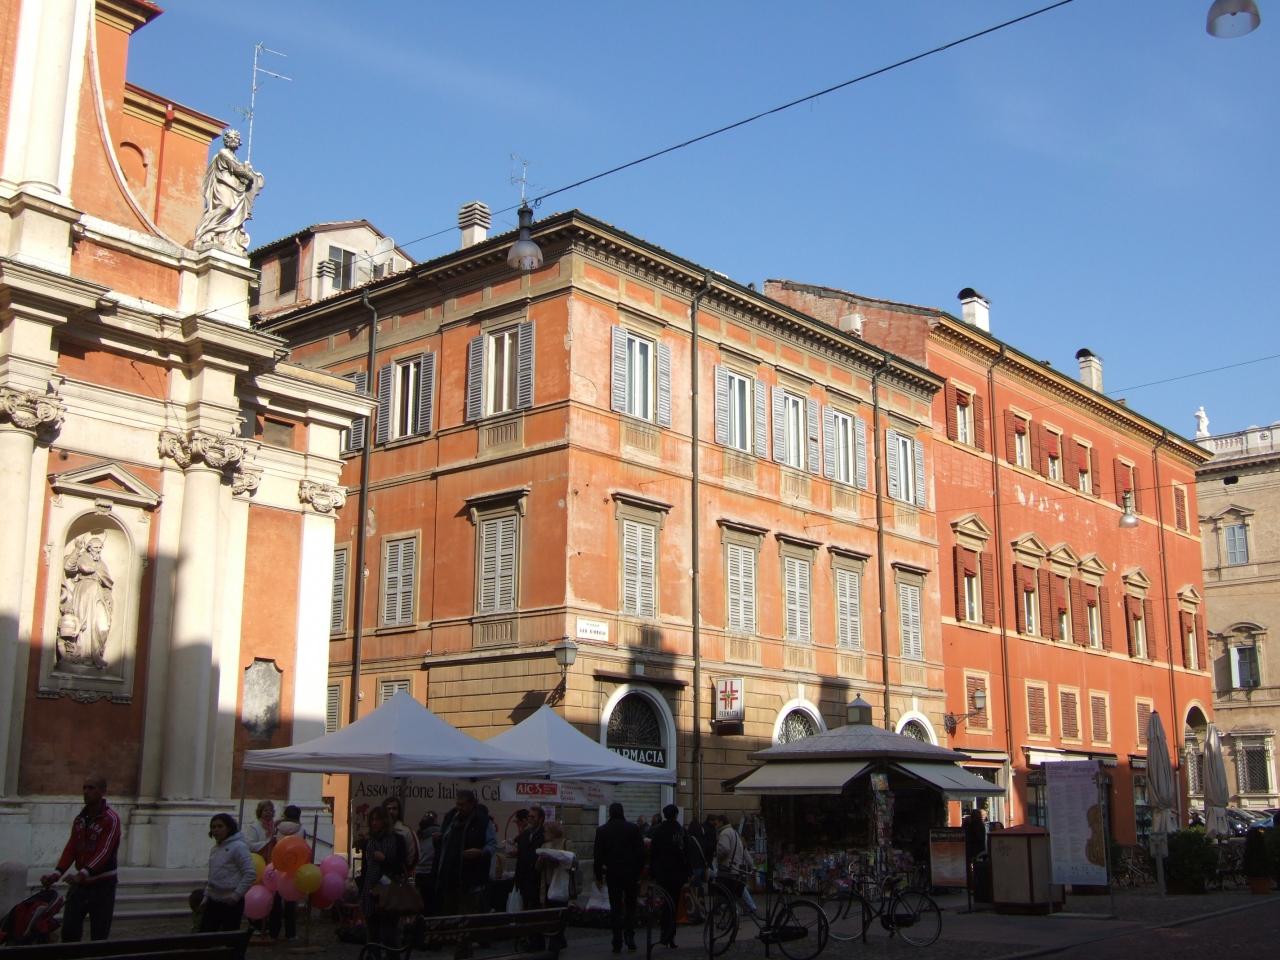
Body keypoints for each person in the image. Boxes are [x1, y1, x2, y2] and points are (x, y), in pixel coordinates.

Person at [40, 774, 122, 942]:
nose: (86, 792)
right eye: (84, 788)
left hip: (103, 885)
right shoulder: (80, 820)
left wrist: (83, 873)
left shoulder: (111, 819)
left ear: (102, 792)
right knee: (69, 932)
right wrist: (57, 873)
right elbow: (72, 848)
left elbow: (104, 851)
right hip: (80, 886)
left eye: (91, 788)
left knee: (99, 935)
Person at [435, 790, 497, 950]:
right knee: (450, 915)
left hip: (470, 879)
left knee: (466, 918)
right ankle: (454, 946)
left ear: (471, 804)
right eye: (457, 804)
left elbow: (492, 845)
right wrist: (440, 838)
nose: (459, 807)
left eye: (462, 805)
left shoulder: (483, 821)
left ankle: (463, 949)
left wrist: (480, 852)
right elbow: (445, 839)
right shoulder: (451, 817)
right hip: (449, 877)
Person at [594, 801, 644, 954]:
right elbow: (640, 853)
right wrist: (639, 872)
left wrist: (598, 876)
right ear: (622, 812)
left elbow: (598, 856)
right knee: (630, 906)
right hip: (630, 874)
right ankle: (630, 937)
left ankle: (617, 941)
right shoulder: (633, 828)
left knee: (615, 908)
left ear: (610, 813)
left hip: (613, 874)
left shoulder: (602, 830)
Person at [359, 806, 406, 956]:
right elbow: (366, 868)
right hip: (370, 890)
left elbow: (400, 866)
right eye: (372, 820)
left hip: (389, 891)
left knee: (389, 934)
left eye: (377, 819)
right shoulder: (370, 842)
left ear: (385, 821)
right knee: (372, 934)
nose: (374, 823)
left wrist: (384, 859)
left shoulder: (397, 840)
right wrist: (363, 890)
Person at [200, 813, 255, 932]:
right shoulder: (215, 849)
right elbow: (213, 875)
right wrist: (206, 896)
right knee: (205, 936)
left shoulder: (239, 847)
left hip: (231, 901)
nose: (216, 830)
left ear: (229, 828)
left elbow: (250, 873)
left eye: (220, 826)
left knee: (228, 937)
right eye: (213, 827)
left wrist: (235, 896)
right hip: (214, 900)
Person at [649, 805, 689, 949]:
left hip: (662, 873)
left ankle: (664, 933)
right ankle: (670, 935)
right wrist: (687, 872)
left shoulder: (658, 830)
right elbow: (685, 851)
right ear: (676, 815)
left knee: (665, 903)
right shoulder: (680, 830)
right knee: (674, 903)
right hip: (677, 873)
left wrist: (653, 872)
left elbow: (653, 852)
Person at [538, 821, 574, 952]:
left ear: (553, 832)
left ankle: (556, 941)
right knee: (551, 914)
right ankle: (559, 939)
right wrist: (541, 860)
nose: (544, 834)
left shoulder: (566, 843)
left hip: (561, 883)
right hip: (548, 884)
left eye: (546, 831)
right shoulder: (544, 846)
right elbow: (538, 867)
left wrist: (558, 860)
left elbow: (574, 863)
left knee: (559, 913)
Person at [713, 814, 757, 915]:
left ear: (721, 822)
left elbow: (724, 849)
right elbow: (744, 852)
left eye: (717, 823)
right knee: (737, 891)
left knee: (728, 892)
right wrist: (752, 865)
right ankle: (748, 908)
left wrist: (718, 857)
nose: (716, 825)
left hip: (728, 868)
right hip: (736, 869)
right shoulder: (735, 833)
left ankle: (736, 911)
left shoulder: (724, 833)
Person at [414, 812, 440, 918]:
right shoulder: (438, 834)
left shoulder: (420, 836)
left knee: (422, 906)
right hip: (430, 873)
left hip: (423, 873)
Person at [963, 803, 988, 892]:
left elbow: (971, 836)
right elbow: (980, 837)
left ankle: (972, 884)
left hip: (972, 849)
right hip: (979, 849)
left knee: (970, 867)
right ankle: (977, 884)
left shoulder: (973, 825)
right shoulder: (981, 824)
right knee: (977, 867)